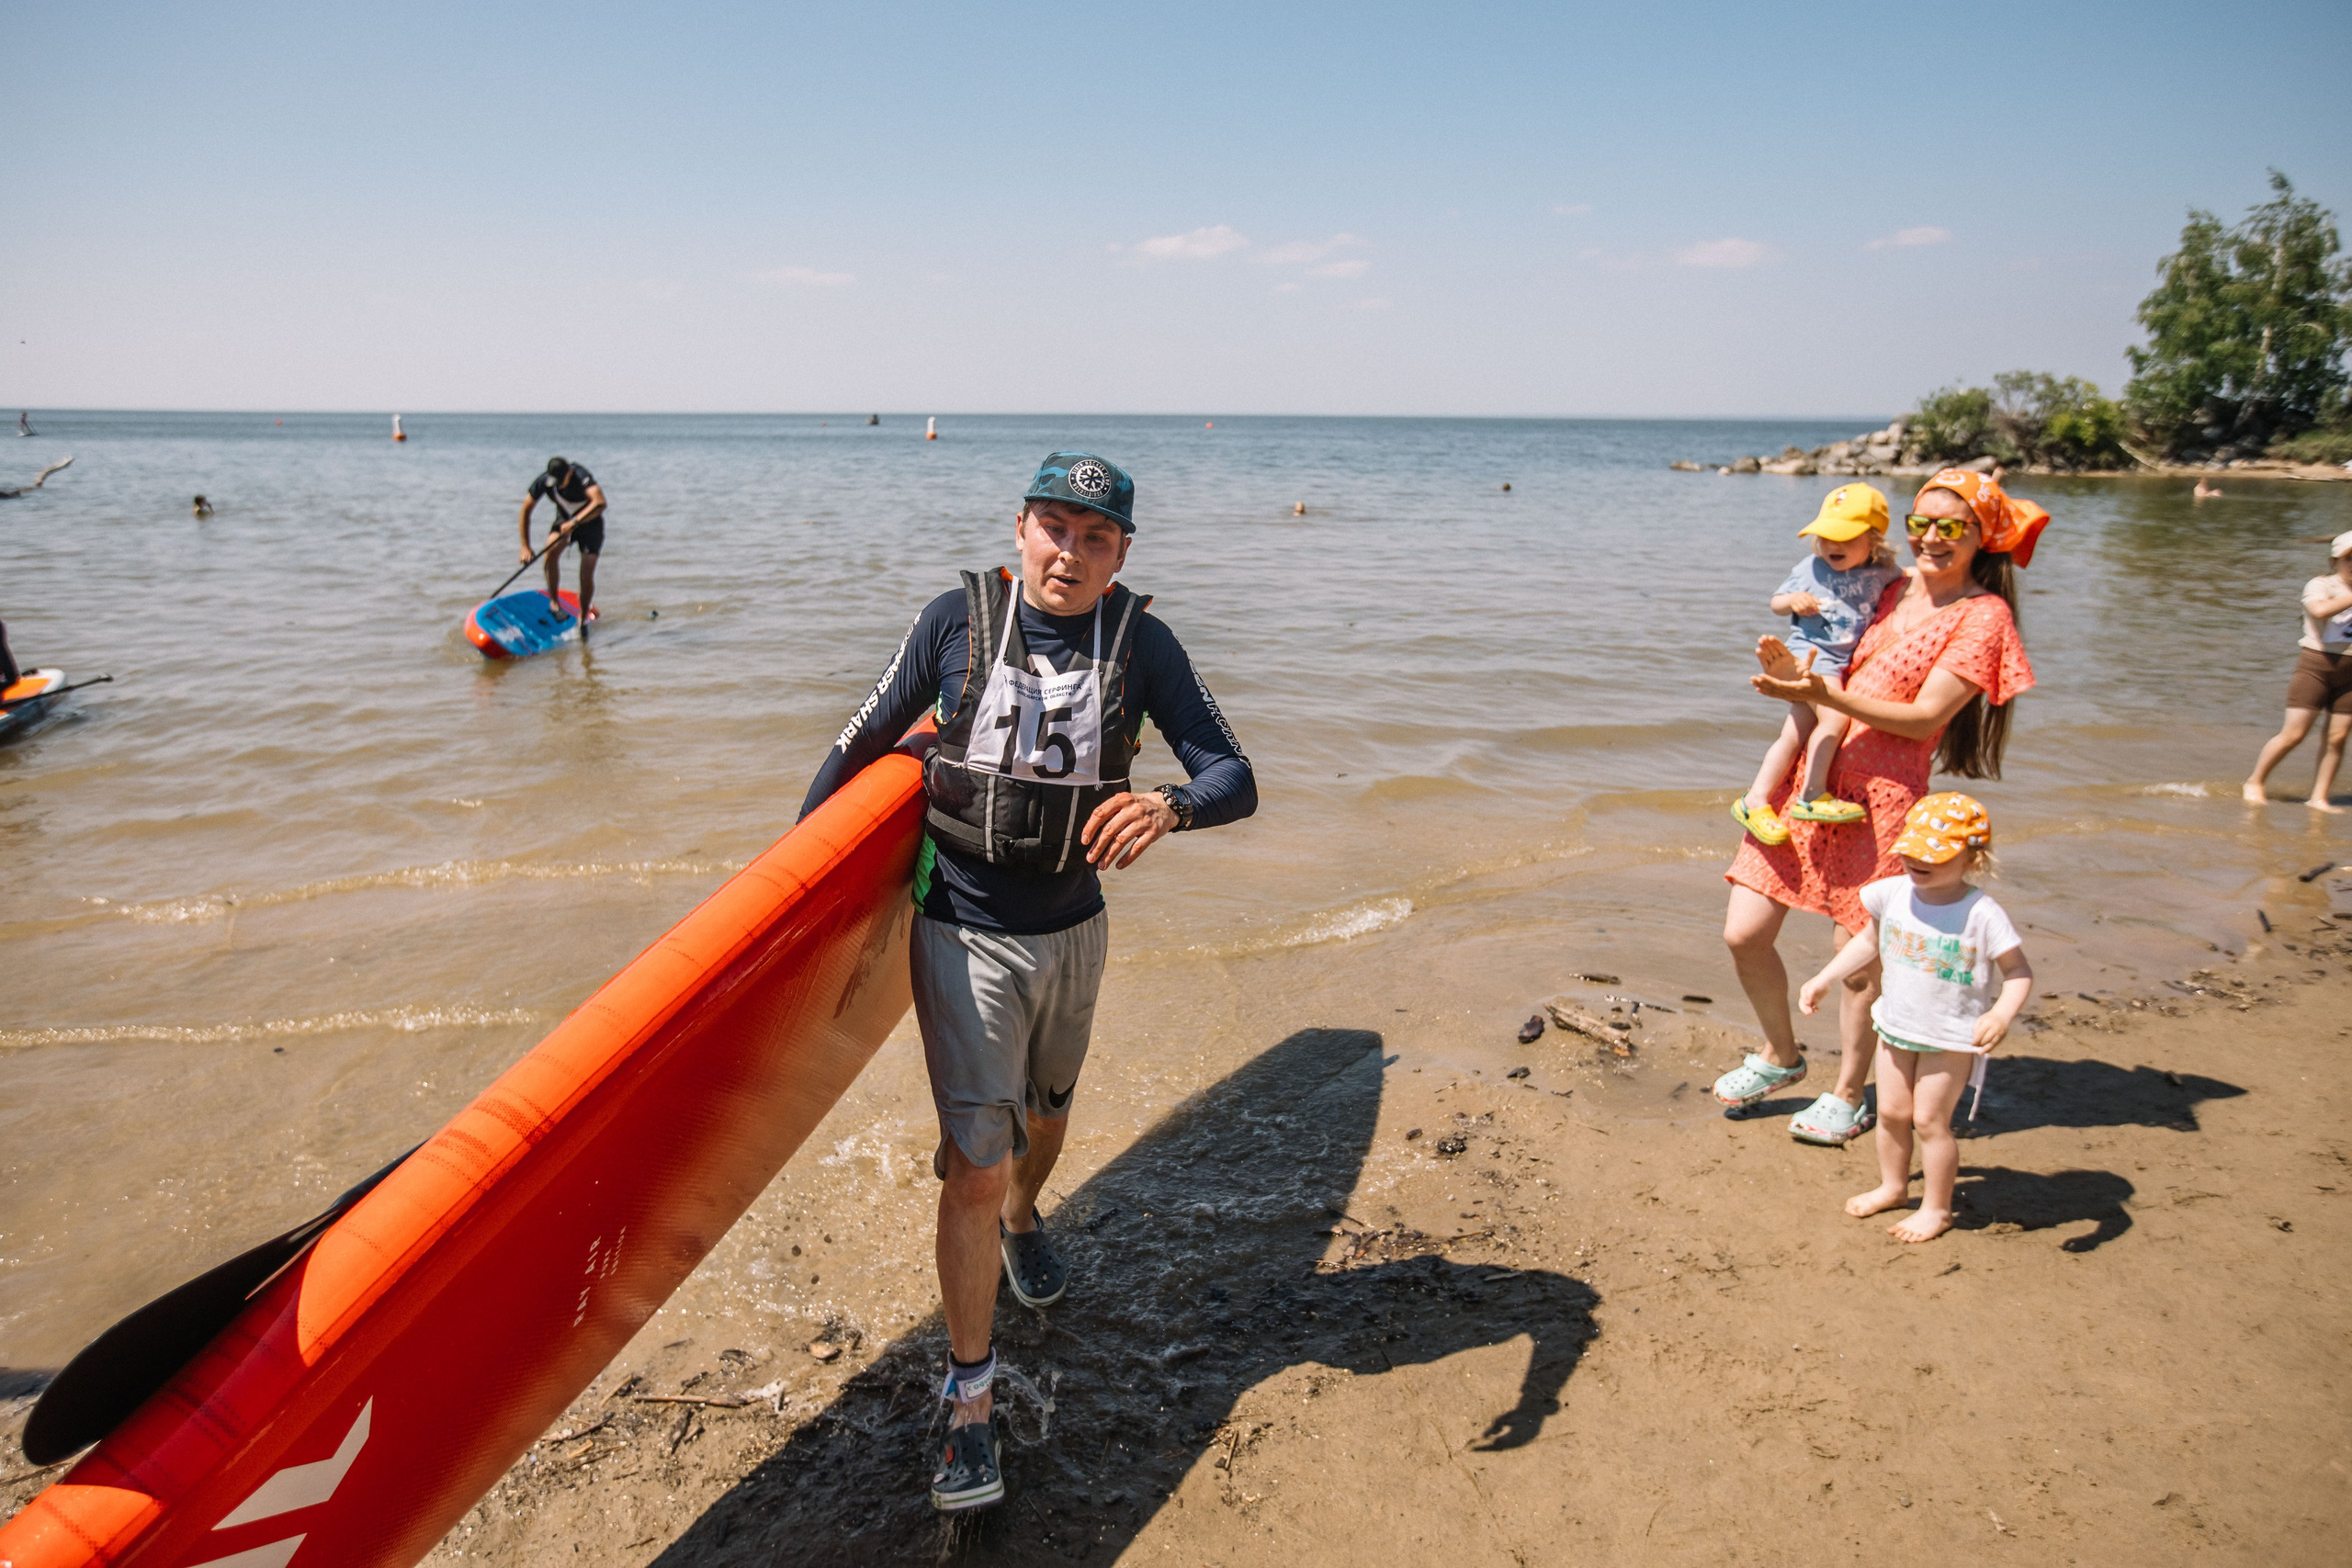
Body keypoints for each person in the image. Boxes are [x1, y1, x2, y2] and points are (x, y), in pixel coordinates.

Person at [797, 451, 1256, 1514]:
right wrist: (793, 905)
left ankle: (1021, 1222)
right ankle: (968, 1401)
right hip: (961, 927)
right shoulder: (951, 621)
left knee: (1041, 1130)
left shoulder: (1141, 641)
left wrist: (1170, 807)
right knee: (973, 1157)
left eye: (1095, 538)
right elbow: (858, 741)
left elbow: (1232, 773)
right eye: (1055, 528)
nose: (1071, 552)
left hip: (1074, 931)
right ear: (1019, 532)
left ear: (1120, 555)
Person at [1713, 469, 2043, 1145]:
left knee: (1859, 958)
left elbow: (1924, 720)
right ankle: (1782, 1053)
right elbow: (1820, 637)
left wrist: (1825, 699)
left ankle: (1848, 1093)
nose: (1932, 537)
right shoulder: (1885, 585)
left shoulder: (1983, 617)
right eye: (1921, 522)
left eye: (1951, 526)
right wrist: (1791, 677)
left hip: (1883, 801)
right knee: (1744, 931)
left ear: (1982, 537)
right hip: (1811, 778)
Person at [1797, 794, 2033, 1241]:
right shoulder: (1893, 894)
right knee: (1890, 1112)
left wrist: (2001, 1013)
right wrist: (1825, 978)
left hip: (1950, 1036)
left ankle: (1937, 1209)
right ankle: (1893, 1186)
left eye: (1933, 855)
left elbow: (2018, 972)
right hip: (1895, 1026)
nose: (1916, 861)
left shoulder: (1982, 913)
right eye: (1910, 851)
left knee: (1928, 1121)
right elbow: (1867, 943)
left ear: (1972, 858)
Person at [1731, 484, 1905, 843]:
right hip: (1809, 657)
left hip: (1839, 663)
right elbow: (1775, 602)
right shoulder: (1811, 568)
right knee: (1836, 716)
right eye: (1825, 537)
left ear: (1874, 540)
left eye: (1844, 538)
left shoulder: (1882, 571)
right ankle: (1812, 795)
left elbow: (1910, 578)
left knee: (1793, 734)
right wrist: (1792, 600)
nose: (1832, 546)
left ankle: (1755, 799)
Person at [2243, 530, 2352, 811]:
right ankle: (2255, 781)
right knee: (2294, 734)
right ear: (2335, 561)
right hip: (2316, 666)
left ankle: (2319, 797)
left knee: (2338, 738)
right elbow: (2319, 611)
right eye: (2349, 559)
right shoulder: (2320, 585)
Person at [517, 457, 607, 624]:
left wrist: (576, 522)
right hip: (564, 520)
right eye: (555, 481)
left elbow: (601, 503)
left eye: (561, 481)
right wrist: (525, 546)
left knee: (586, 572)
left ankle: (583, 617)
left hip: (590, 525)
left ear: (570, 472)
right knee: (550, 553)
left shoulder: (581, 476)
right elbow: (525, 510)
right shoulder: (545, 481)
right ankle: (554, 604)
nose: (558, 485)